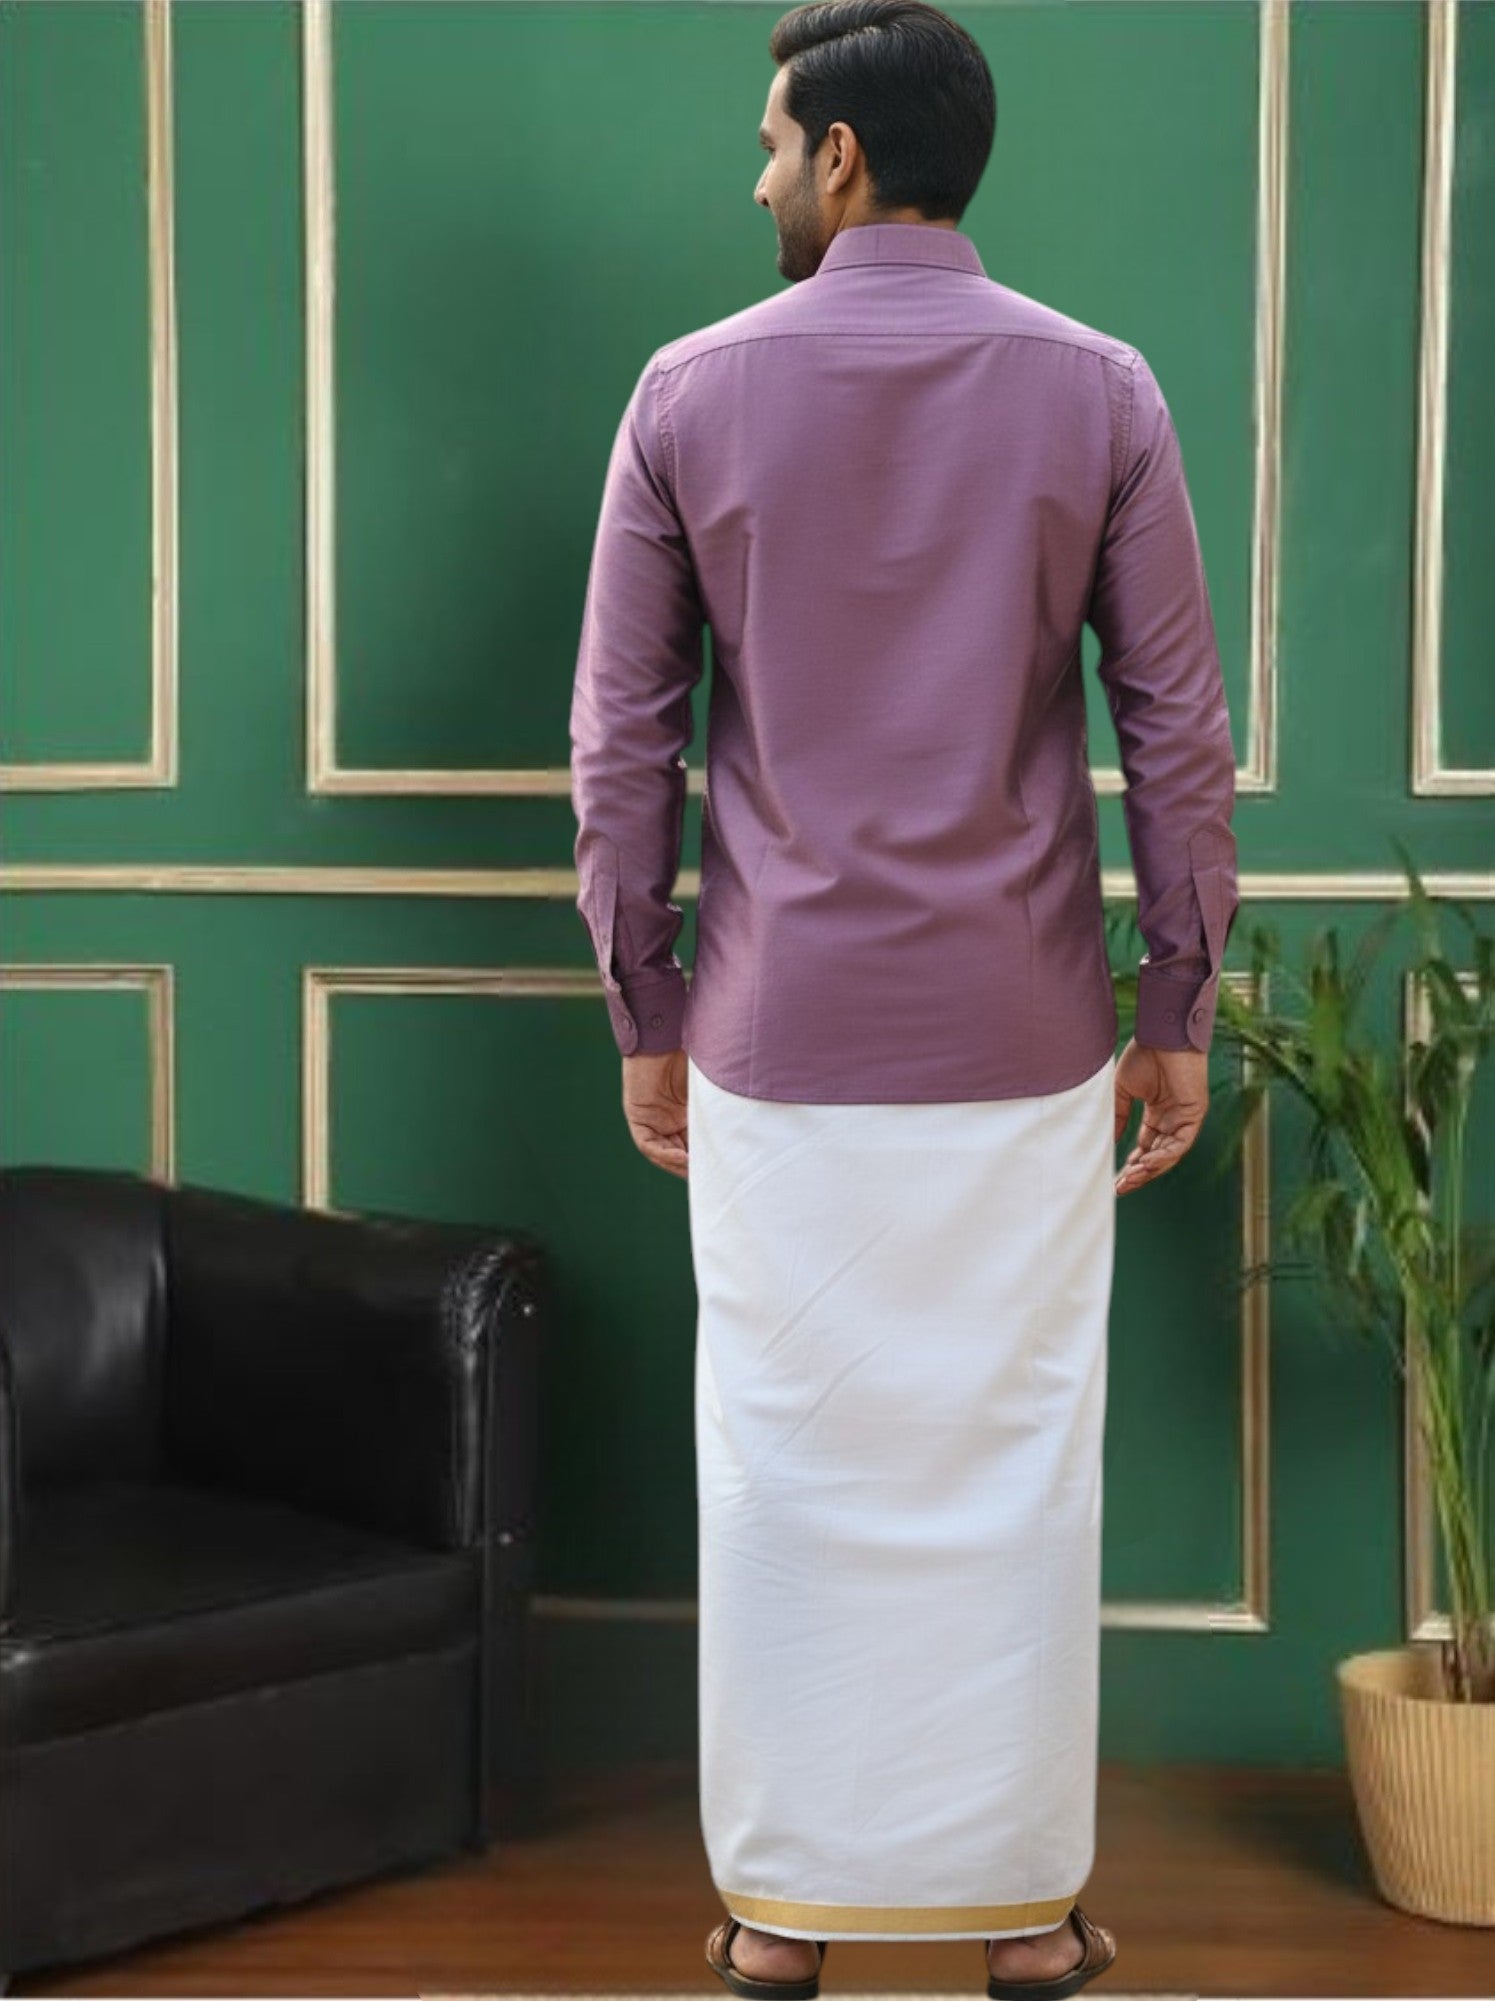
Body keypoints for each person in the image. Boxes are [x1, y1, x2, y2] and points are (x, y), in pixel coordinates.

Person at [568, 3, 1240, 1995]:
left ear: (845, 157)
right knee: (1014, 1467)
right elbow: (1176, 732)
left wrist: (644, 1004)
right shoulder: (1101, 390)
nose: (759, 175)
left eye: (775, 141)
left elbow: (619, 741)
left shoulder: (687, 392)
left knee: (784, 1458)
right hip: (1022, 1033)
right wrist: (1177, 1002)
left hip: (776, 1034)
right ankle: (1022, 1913)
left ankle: (783, 1914)